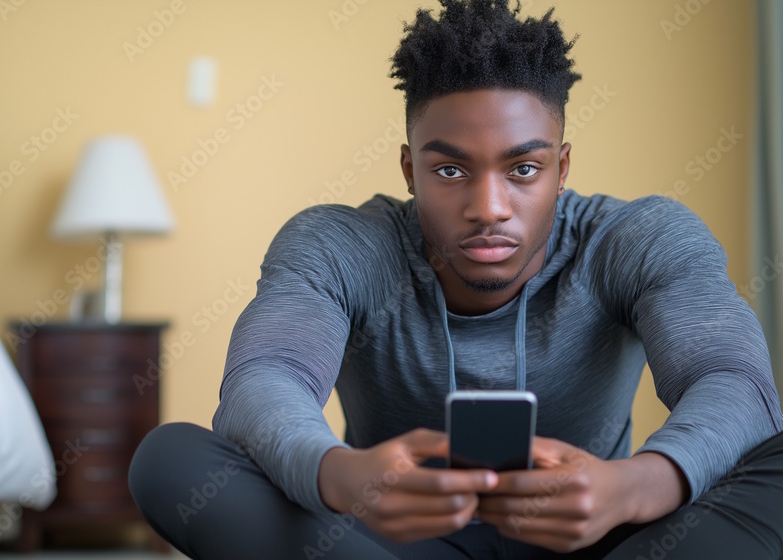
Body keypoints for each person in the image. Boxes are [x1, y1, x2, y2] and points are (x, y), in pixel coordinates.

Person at [129, 0, 783, 558]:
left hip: (600, 539)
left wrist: (632, 486)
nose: (488, 207)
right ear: (411, 171)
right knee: (171, 460)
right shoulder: (340, 244)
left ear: (562, 168)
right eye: (450, 171)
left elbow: (734, 383)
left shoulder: (639, 238)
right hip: (391, 545)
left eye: (523, 170)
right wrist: (342, 476)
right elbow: (263, 379)